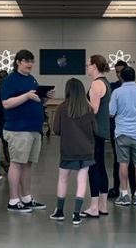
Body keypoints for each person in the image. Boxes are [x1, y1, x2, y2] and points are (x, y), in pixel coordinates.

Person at [1, 49, 51, 213]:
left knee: (28, 164)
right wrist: (27, 96)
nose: (30, 64)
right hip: (18, 129)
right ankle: (13, 200)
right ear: (18, 62)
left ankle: (27, 198)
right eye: (26, 61)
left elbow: (35, 100)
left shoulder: (32, 79)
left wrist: (44, 97)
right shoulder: (10, 80)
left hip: (34, 128)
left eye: (31, 61)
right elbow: (6, 103)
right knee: (17, 162)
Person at [50, 78, 96, 225]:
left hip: (68, 150)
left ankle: (59, 211)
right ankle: (76, 214)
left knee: (63, 179)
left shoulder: (62, 108)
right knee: (82, 180)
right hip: (86, 150)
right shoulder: (89, 108)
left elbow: (56, 130)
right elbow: (95, 129)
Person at [109, 66, 136, 206]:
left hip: (122, 133)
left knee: (123, 163)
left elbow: (111, 113)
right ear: (135, 77)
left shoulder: (117, 92)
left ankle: (124, 194)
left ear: (121, 77)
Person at [82, 54, 111, 218]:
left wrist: (81, 100)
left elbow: (94, 109)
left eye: (88, 65)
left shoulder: (96, 84)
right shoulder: (105, 82)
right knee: (101, 167)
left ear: (94, 66)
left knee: (93, 168)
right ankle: (103, 206)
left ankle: (93, 207)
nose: (87, 67)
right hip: (102, 130)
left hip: (94, 131)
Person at [108, 60, 136, 199]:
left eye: (121, 72)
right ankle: (117, 188)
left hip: (133, 129)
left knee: (133, 161)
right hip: (117, 129)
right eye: (117, 72)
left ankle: (134, 189)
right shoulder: (112, 87)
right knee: (118, 160)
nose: (118, 74)